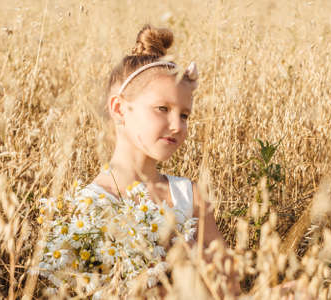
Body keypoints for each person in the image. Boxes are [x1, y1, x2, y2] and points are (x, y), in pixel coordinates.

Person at [83, 24, 241, 297]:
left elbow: (231, 290)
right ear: (119, 108)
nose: (177, 125)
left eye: (184, 115)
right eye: (162, 109)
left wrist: (194, 259)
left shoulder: (188, 195)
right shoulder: (90, 205)